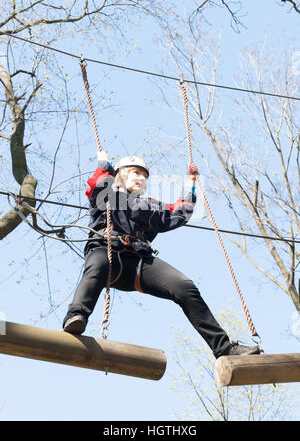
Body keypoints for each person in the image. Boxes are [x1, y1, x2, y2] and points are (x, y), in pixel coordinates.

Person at [63, 151, 261, 358]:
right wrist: (104, 165)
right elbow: (97, 185)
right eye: (135, 173)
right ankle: (76, 316)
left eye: (145, 176)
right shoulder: (107, 196)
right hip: (107, 251)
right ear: (120, 176)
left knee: (185, 287)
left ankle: (224, 348)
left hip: (138, 262)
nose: (141, 178)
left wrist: (190, 184)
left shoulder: (148, 206)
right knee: (98, 265)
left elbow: (180, 212)